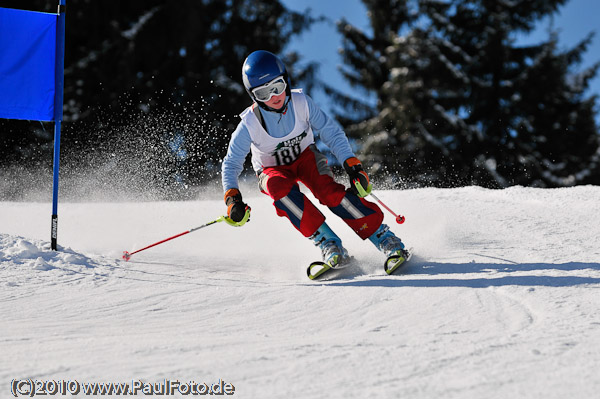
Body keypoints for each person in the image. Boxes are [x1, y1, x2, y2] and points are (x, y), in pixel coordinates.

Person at [221, 50, 408, 267]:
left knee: (327, 191)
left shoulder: (301, 103)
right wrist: (233, 199)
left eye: (277, 87)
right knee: (277, 187)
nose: (274, 97)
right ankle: (329, 244)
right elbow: (231, 163)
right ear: (253, 96)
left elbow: (331, 132)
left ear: (286, 81)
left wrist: (352, 165)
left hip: (306, 157)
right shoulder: (249, 124)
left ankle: (384, 237)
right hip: (271, 170)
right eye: (263, 94)